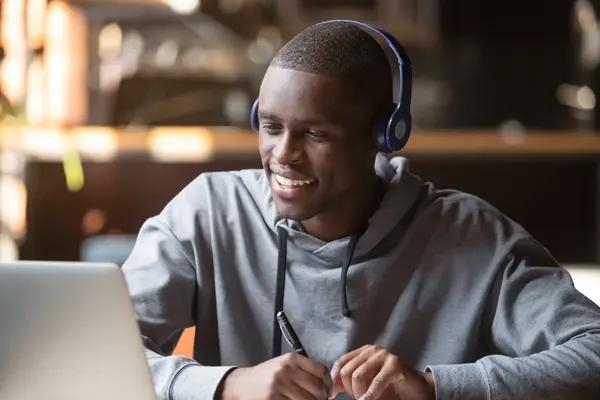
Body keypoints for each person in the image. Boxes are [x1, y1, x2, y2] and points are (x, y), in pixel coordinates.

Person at [122, 20, 600, 400]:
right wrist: (225, 386)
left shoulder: (473, 237)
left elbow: (593, 354)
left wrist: (437, 388)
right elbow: (94, 355)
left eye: (314, 134)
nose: (283, 154)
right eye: (270, 126)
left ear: (383, 135)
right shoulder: (207, 212)